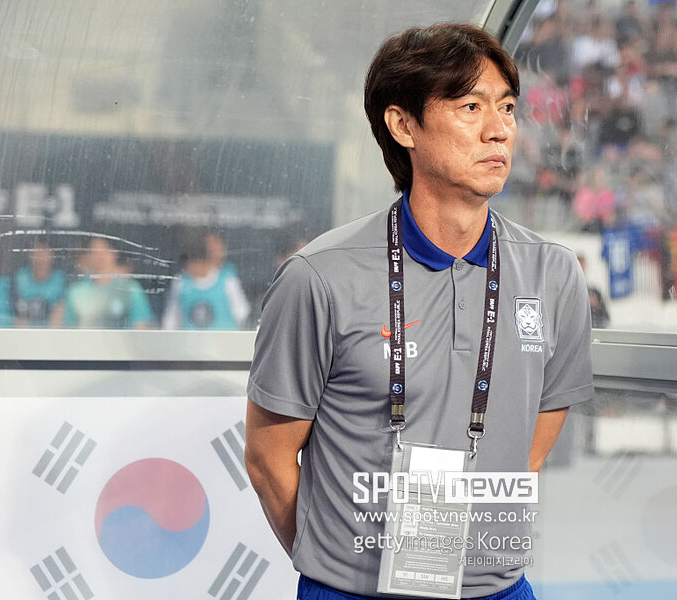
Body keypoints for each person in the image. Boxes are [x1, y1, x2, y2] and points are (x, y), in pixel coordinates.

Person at [245, 23, 594, 600]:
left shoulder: (554, 273)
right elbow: (268, 458)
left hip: (499, 588)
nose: (499, 130)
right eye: (471, 107)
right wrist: (339, 568)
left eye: (507, 108)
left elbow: (536, 433)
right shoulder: (319, 277)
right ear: (403, 125)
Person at [161, 232, 250, 330]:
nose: (192, 269)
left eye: (195, 263)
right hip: (190, 338)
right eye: (188, 266)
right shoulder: (181, 283)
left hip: (222, 337)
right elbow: (171, 318)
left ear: (203, 261)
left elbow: (241, 312)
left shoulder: (227, 280)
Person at [61, 237, 154, 329]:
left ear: (114, 253)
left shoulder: (131, 288)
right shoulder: (76, 292)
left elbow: (141, 324)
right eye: (94, 252)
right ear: (88, 257)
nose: (100, 256)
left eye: (104, 250)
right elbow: (69, 327)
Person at [13, 237, 66, 327]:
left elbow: (60, 311)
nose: (40, 257)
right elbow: (18, 312)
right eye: (37, 252)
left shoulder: (60, 279)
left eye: (44, 252)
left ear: (52, 255)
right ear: (30, 255)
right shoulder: (20, 277)